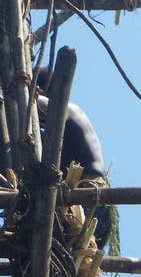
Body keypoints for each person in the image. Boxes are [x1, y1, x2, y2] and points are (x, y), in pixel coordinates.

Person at [37, 95, 112, 247]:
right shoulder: (67, 122)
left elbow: (31, 100)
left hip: (87, 190)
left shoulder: (63, 109)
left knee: (70, 246)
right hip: (89, 195)